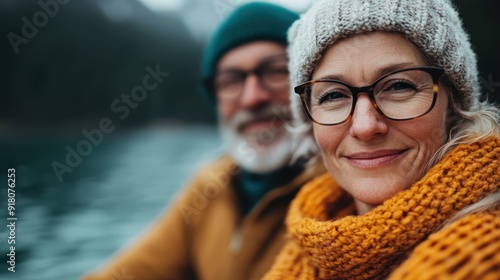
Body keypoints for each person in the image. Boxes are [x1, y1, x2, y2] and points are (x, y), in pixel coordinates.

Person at [82, 3, 324, 280]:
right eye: (231, 81)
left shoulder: (346, 190)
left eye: (275, 71)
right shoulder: (209, 188)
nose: (252, 98)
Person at [263, 0, 500, 279]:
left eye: (399, 86)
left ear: (454, 107)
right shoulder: (303, 248)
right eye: (333, 95)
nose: (365, 126)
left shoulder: (485, 255)